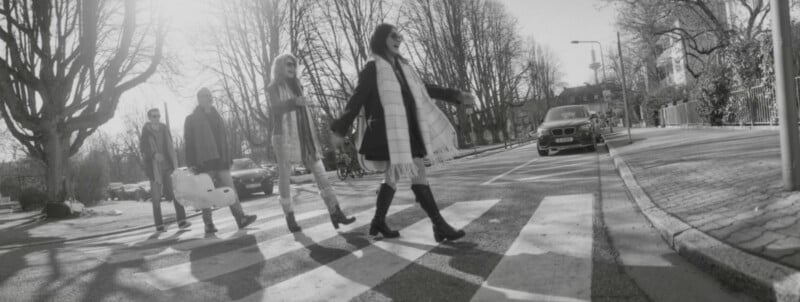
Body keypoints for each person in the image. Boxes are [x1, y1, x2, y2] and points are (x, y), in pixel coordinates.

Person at [330, 23, 476, 242]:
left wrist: (454, 95)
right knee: (417, 171)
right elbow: (357, 97)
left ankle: (379, 221)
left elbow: (424, 88)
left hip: (408, 130)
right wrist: (339, 128)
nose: (399, 39)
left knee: (393, 175)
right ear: (382, 40)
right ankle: (439, 225)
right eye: (393, 36)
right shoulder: (373, 67)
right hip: (391, 133)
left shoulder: (402, 67)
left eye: (400, 36)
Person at [267, 53, 356, 232]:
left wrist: (298, 101)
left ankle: (335, 212)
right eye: (288, 65)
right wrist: (294, 102)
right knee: (285, 174)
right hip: (282, 136)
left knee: (320, 171)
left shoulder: (298, 85)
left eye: (294, 65)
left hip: (305, 136)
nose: (292, 68)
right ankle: (289, 216)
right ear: (279, 67)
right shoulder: (273, 87)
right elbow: (275, 108)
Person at [184, 88, 257, 234]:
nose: (209, 98)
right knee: (206, 194)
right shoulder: (191, 119)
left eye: (210, 96)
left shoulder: (217, 116)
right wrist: (192, 163)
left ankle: (241, 218)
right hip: (204, 163)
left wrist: (228, 157)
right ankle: (209, 224)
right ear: (199, 99)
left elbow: (224, 140)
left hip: (221, 161)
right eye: (205, 96)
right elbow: (189, 143)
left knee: (231, 190)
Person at [140, 108, 191, 232]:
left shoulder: (164, 128)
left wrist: (174, 162)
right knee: (156, 198)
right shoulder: (146, 131)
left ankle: (182, 221)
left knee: (175, 193)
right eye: (153, 116)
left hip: (168, 167)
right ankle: (159, 225)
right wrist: (153, 155)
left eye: (158, 116)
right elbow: (143, 148)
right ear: (149, 118)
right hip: (154, 169)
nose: (156, 118)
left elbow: (170, 145)